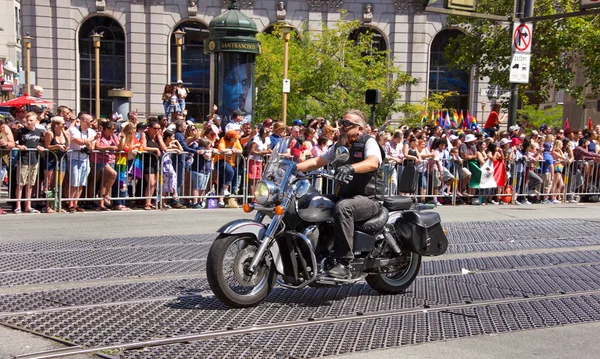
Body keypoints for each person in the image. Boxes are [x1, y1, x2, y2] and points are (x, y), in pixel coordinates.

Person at [296, 109, 385, 279]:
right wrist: (292, 168)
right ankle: (315, 254)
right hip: (345, 195)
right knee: (311, 201)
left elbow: (373, 162)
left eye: (347, 124)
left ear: (359, 129)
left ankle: (343, 263)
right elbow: (317, 161)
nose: (342, 127)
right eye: (342, 123)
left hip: (368, 199)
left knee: (343, 208)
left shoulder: (369, 142)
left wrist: (351, 167)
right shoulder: (339, 146)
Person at [14, 112, 45, 214]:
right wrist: (19, 147)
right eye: (27, 120)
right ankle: (18, 206)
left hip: (34, 159)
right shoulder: (20, 131)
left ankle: (28, 205)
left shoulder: (39, 132)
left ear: (36, 121)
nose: (29, 122)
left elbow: (42, 143)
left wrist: (41, 147)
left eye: (31, 120)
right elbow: (14, 142)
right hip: (23, 159)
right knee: (20, 183)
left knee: (30, 184)